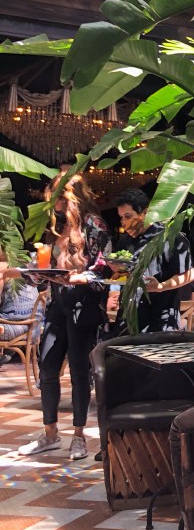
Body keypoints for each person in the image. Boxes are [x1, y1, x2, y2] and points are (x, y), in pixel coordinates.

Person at [18, 171, 111, 460]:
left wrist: (78, 277)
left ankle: (79, 436)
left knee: (80, 373)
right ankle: (50, 434)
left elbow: (104, 269)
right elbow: (46, 272)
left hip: (83, 305)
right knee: (47, 368)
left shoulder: (94, 225)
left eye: (58, 194)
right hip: (57, 305)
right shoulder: (56, 227)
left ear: (72, 195)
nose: (53, 200)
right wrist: (36, 273)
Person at [113, 188, 194, 333]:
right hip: (128, 319)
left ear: (145, 213)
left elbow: (189, 274)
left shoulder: (169, 237)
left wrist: (161, 286)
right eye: (121, 218)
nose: (124, 223)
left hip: (160, 320)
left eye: (128, 216)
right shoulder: (125, 241)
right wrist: (117, 271)